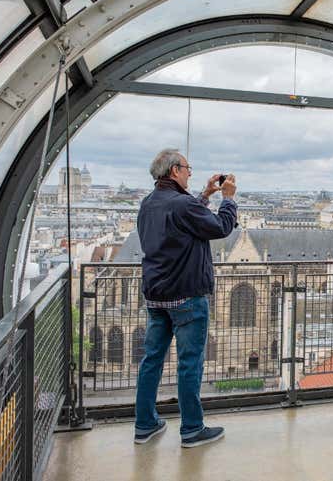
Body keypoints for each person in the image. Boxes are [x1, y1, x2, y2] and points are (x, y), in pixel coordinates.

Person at [134, 149, 237, 447]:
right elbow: (220, 227)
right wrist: (228, 199)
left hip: (155, 296)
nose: (191, 173)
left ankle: (145, 425)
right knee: (189, 363)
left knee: (151, 360)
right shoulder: (181, 204)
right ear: (175, 170)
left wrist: (205, 194)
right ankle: (192, 429)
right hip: (186, 296)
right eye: (188, 168)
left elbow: (184, 221)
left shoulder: (148, 203)